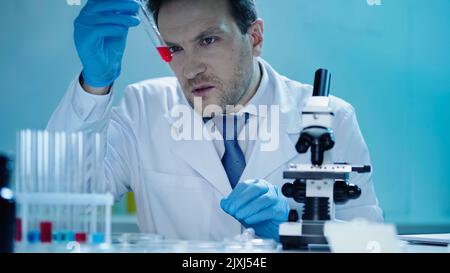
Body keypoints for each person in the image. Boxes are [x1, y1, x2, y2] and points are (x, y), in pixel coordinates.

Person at [47, 0, 383, 241]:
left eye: (208, 41)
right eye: (175, 49)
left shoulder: (330, 118)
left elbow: (370, 245)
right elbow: (63, 205)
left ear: (254, 38)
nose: (190, 69)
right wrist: (95, 83)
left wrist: (294, 225)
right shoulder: (144, 107)